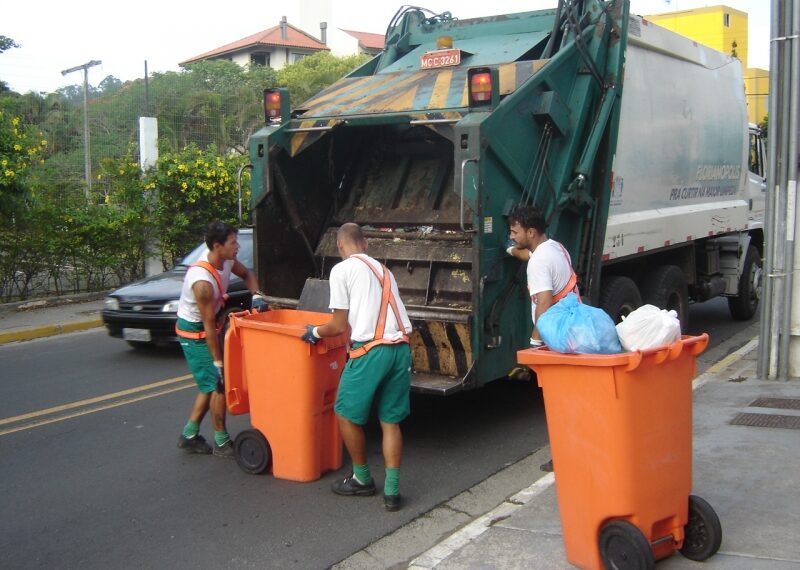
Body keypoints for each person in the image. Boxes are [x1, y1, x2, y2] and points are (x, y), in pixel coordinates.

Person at [301, 223, 413, 512]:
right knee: (390, 421)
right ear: (364, 243)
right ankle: (392, 492)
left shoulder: (342, 270)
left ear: (340, 247)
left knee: (345, 413)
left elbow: (338, 325)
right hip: (400, 348)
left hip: (371, 351)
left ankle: (362, 479)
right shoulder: (384, 271)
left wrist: (314, 332)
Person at [175, 221, 266, 458]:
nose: (237, 246)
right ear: (217, 246)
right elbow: (207, 327)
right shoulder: (202, 282)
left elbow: (247, 275)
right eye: (233, 242)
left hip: (210, 325)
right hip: (195, 332)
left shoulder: (226, 261)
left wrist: (256, 296)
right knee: (218, 384)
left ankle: (189, 434)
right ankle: (222, 441)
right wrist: (217, 363)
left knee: (207, 385)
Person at [507, 205, 580, 472]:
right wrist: (511, 251)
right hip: (572, 329)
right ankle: (572, 449)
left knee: (557, 400)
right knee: (568, 397)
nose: (512, 236)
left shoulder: (538, 262)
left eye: (515, 232)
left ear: (531, 231)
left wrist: (535, 344)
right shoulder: (555, 248)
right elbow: (530, 255)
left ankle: (563, 455)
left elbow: (544, 304)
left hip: (556, 337)